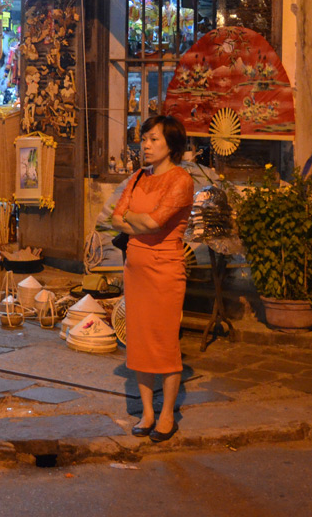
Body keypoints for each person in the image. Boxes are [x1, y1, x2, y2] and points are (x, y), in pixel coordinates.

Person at [111, 114, 196, 443]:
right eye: (144, 138)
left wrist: (133, 219)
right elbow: (116, 219)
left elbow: (156, 222)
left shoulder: (181, 180)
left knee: (164, 343)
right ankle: (147, 412)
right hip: (136, 268)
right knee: (139, 341)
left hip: (165, 269)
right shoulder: (136, 178)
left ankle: (166, 415)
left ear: (171, 145)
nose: (145, 144)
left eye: (153, 139)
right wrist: (136, 220)